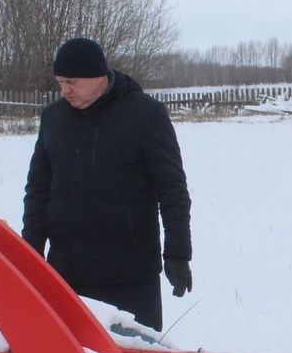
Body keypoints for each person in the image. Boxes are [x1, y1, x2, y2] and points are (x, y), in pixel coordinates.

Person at [22, 37, 192, 331]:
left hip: (129, 276)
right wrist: (31, 251)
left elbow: (172, 188)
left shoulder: (146, 115)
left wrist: (177, 253)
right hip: (66, 272)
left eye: (71, 81)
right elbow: (38, 190)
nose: (64, 90)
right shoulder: (53, 118)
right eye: (61, 82)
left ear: (97, 77)